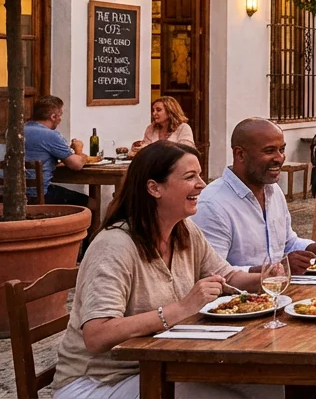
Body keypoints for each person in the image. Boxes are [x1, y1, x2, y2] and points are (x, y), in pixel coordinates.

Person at [52, 142, 278, 399]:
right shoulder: (114, 246)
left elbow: (227, 277)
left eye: (200, 175)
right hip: (98, 382)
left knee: (275, 386)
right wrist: (181, 309)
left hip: (163, 365)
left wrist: (266, 280)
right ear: (154, 188)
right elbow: (97, 335)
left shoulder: (184, 231)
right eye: (190, 177)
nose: (202, 184)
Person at [191, 118, 316, 275]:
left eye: (281, 149)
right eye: (269, 151)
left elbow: (288, 244)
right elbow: (210, 273)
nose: (280, 158)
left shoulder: (273, 191)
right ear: (240, 154)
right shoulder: (212, 204)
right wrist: (274, 270)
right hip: (239, 299)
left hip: (280, 291)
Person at [1, 95, 88, 206]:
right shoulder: (51, 136)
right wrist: (79, 151)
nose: (60, 119)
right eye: (60, 115)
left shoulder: (12, 131)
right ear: (53, 117)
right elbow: (77, 165)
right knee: (91, 203)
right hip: (36, 196)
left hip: (9, 193)